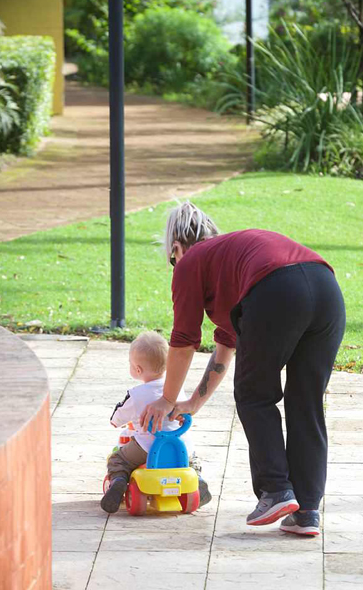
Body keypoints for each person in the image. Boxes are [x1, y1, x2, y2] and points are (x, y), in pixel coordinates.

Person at [140, 202, 345, 536]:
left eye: (172, 259)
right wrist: (192, 402)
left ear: (176, 248)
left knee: (253, 394)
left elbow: (184, 340)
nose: (175, 266)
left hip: (278, 290)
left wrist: (166, 398)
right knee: (304, 401)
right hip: (327, 290)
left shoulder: (191, 262)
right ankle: (306, 510)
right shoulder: (228, 263)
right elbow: (226, 346)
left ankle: (276, 489)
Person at [100, 330, 211, 513]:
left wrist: (116, 421)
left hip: (147, 447)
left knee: (118, 459)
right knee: (192, 457)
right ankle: (196, 478)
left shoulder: (136, 394)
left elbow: (117, 418)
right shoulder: (177, 388)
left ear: (137, 369)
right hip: (180, 445)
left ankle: (118, 481)